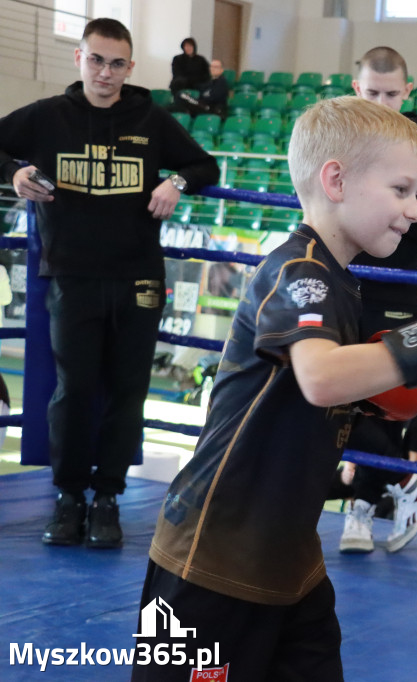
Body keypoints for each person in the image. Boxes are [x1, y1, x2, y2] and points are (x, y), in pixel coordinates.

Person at [133, 96, 417, 680]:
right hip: (214, 550)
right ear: (336, 179)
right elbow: (322, 377)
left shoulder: (341, 283)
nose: (415, 211)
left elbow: (374, 392)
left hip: (290, 550)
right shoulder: (298, 270)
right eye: (402, 190)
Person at [0, 18, 220, 549]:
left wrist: (177, 180)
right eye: (96, 59)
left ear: (130, 66)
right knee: (72, 390)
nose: (105, 71)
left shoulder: (150, 116)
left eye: (116, 62)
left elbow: (205, 165)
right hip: (71, 275)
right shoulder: (49, 116)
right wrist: (13, 174)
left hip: (137, 277)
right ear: (79, 58)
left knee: (128, 392)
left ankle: (107, 499)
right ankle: (69, 496)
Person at [341, 45, 417, 554]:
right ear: (355, 88)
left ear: (407, 92)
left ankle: (360, 513)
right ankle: (408, 484)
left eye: (391, 93)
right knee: (336, 396)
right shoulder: (341, 139)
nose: (382, 103)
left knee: (383, 403)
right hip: (342, 279)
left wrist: (381, 208)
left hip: (397, 288)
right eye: (372, 93)